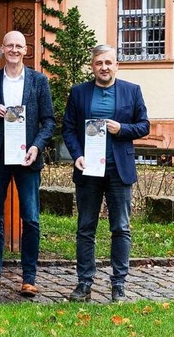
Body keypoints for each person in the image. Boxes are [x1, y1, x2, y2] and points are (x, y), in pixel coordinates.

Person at [62, 44, 149, 303]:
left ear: (116, 65)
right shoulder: (79, 93)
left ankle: (118, 284)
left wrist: (121, 128)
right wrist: (77, 155)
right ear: (93, 66)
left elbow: (144, 125)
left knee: (120, 228)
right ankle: (84, 283)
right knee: (85, 228)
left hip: (119, 170)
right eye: (99, 63)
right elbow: (67, 128)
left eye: (108, 62)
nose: (104, 67)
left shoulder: (131, 91)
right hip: (88, 170)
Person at [0, 30, 56, 297]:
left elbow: (49, 121)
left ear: (26, 50)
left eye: (19, 45)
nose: (14, 50)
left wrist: (36, 146)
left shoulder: (38, 81)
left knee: (31, 218)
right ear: (1, 49)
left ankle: (29, 278)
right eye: (9, 45)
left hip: (27, 158)